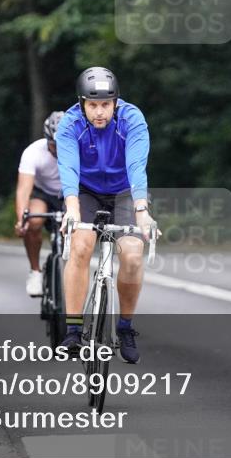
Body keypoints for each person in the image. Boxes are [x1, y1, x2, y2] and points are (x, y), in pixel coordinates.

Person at [55, 67, 156, 364]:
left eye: (106, 105)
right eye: (92, 105)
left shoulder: (132, 120)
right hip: (86, 191)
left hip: (125, 191)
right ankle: (73, 329)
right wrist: (71, 209)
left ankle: (125, 326)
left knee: (133, 253)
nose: (99, 112)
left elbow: (137, 166)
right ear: (81, 103)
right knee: (81, 244)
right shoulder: (70, 124)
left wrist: (142, 211)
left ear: (116, 102)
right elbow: (69, 169)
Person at [14, 111, 65, 297]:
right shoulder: (33, 152)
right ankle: (35, 271)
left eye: (63, 144)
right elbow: (23, 190)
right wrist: (22, 219)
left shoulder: (81, 149)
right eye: (54, 145)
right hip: (42, 193)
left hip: (69, 194)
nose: (58, 149)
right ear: (46, 140)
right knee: (33, 221)